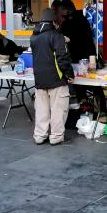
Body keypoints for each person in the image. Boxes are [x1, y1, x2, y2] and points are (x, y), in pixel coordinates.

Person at [30, 8, 75, 146]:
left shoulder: (34, 37)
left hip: (39, 79)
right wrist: (69, 74)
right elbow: (63, 58)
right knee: (58, 109)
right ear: (54, 22)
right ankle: (56, 137)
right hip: (56, 79)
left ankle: (39, 136)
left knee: (41, 110)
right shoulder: (56, 36)